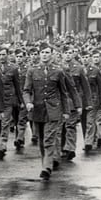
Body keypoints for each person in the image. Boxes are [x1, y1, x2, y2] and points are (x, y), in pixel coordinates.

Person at [22, 44, 70, 181]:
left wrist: (66, 111)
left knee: (49, 139)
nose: (45, 55)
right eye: (42, 52)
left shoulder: (58, 71)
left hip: (53, 110)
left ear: (52, 54)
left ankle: (46, 167)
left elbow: (63, 93)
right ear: (39, 54)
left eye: (47, 52)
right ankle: (45, 163)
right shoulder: (32, 71)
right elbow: (26, 91)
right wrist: (28, 102)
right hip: (37, 109)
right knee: (42, 140)